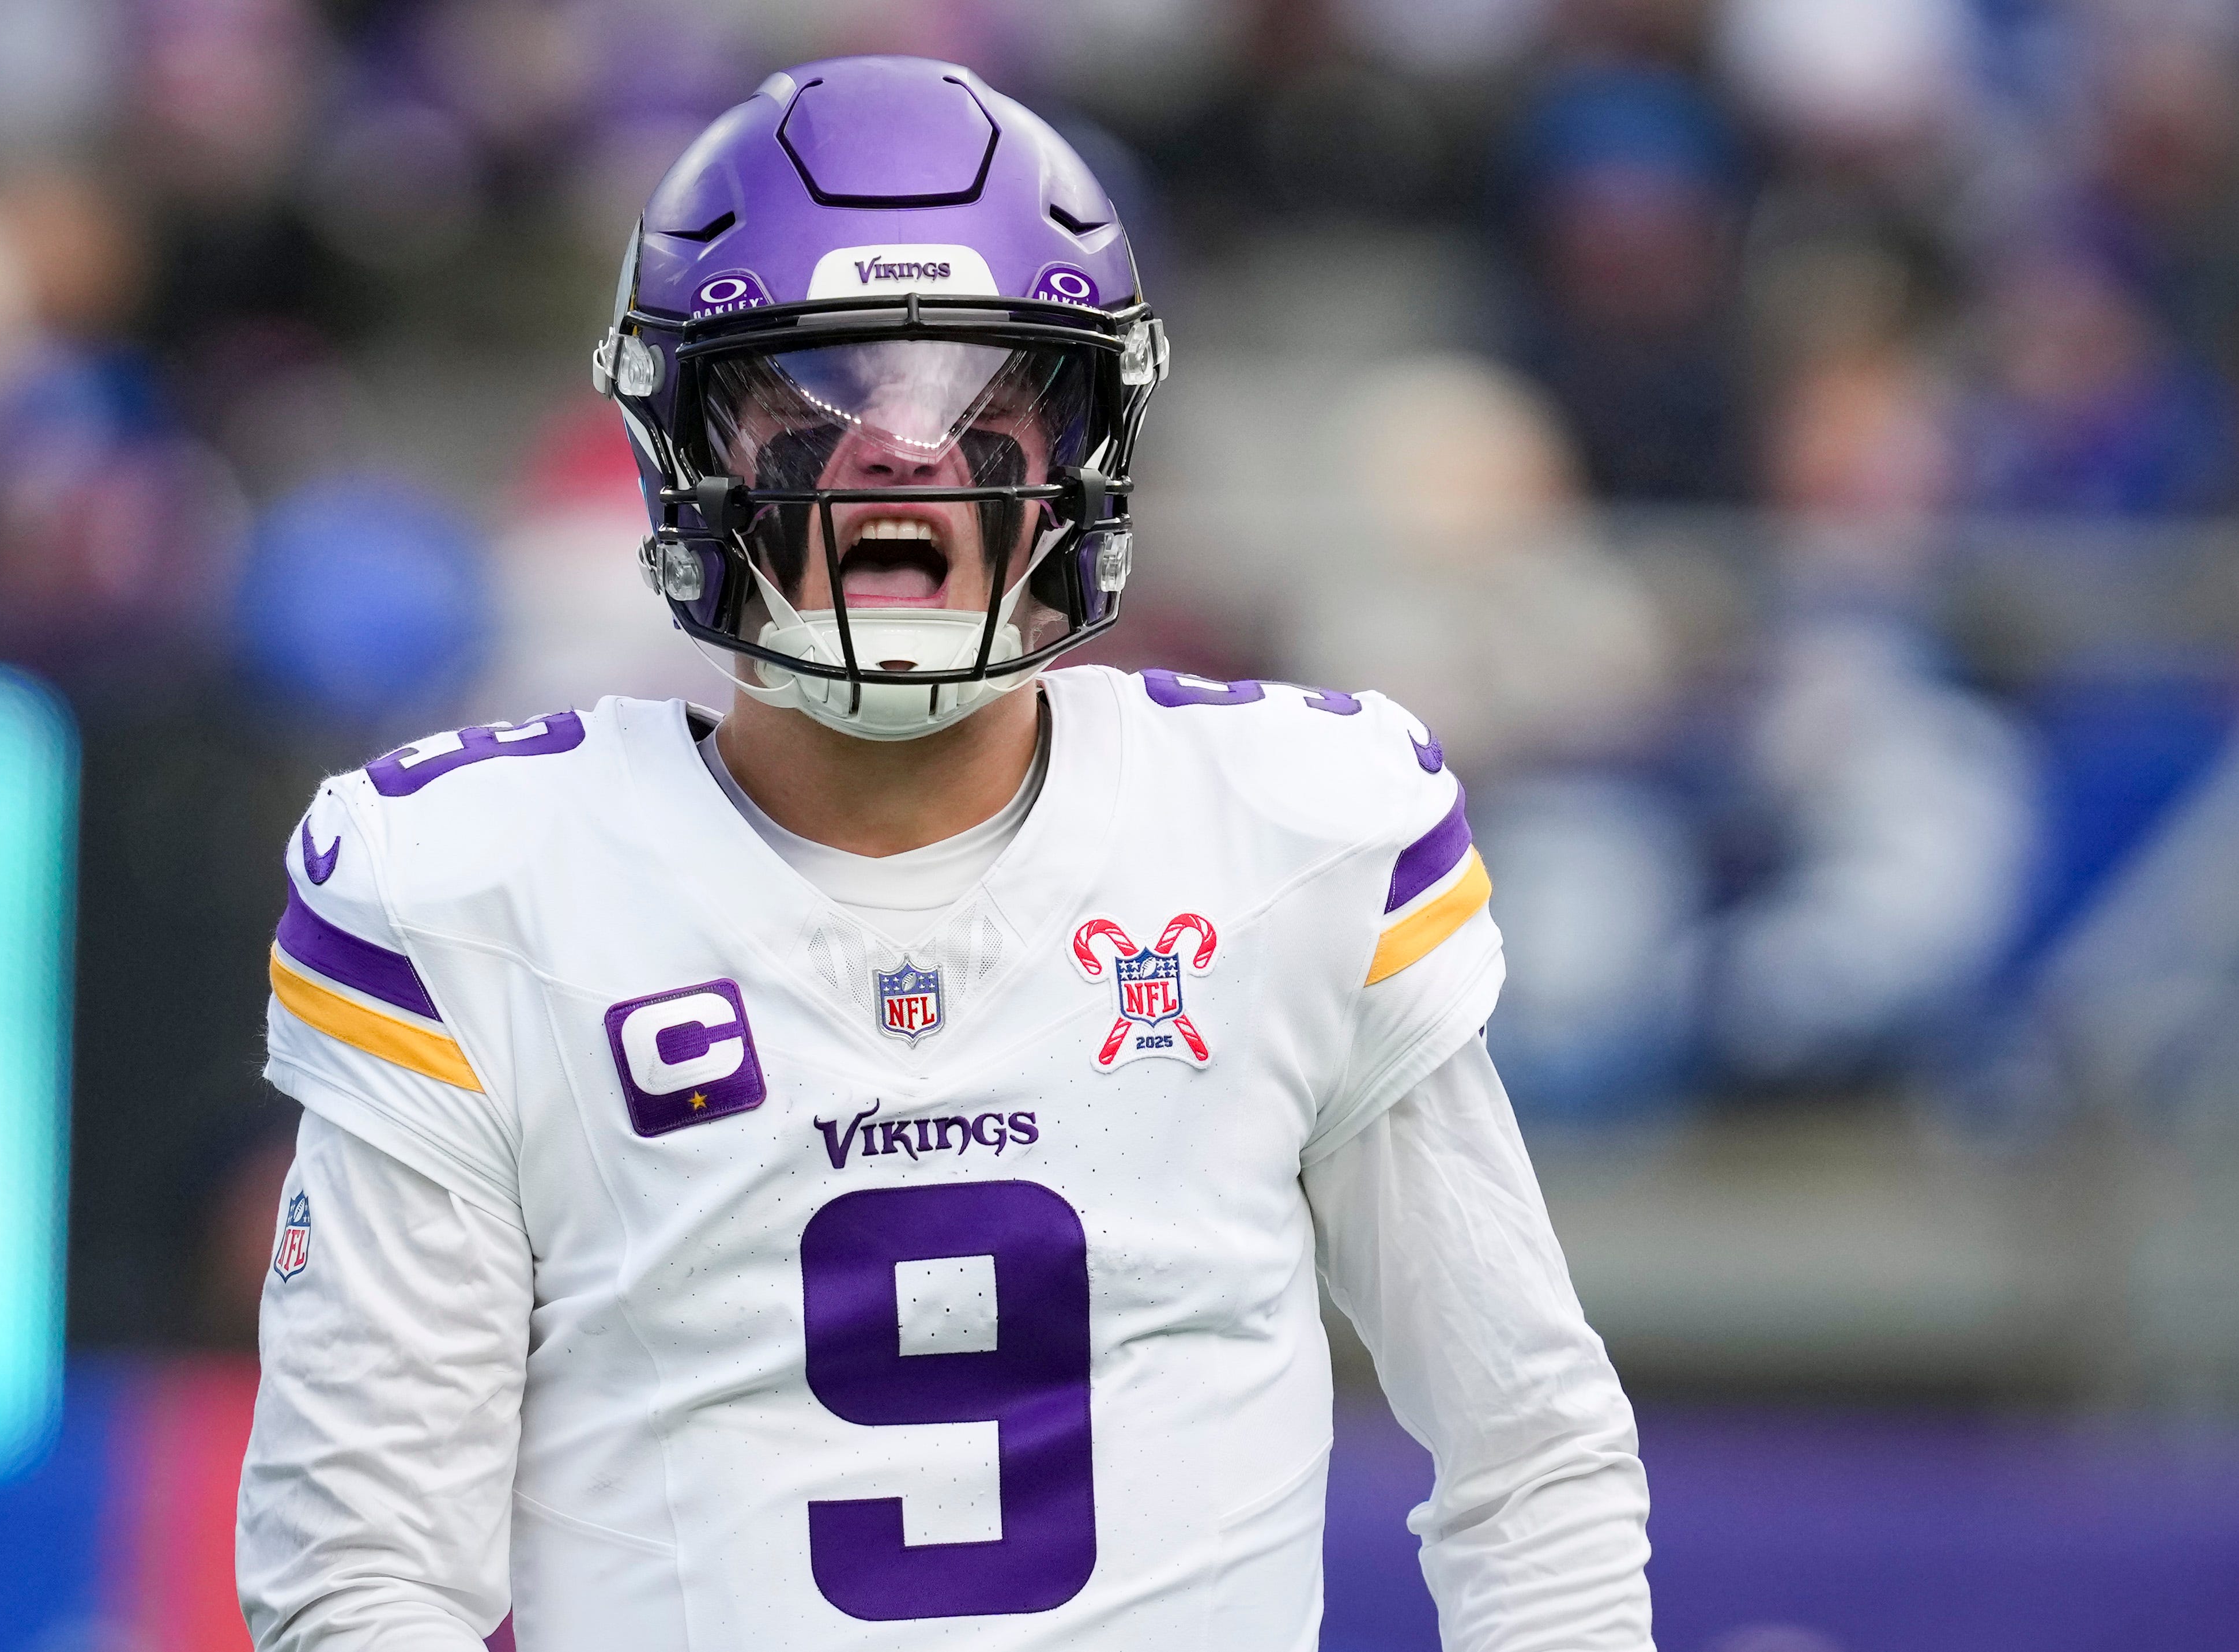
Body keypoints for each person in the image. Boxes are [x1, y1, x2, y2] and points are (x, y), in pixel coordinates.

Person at [237, 55, 1652, 1652]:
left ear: (1086, 438)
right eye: (813, 405)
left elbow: (1528, 1456)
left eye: (979, 403)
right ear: (688, 445)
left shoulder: (1287, 835)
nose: (897, 460)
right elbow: (362, 1573)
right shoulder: (475, 893)